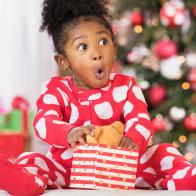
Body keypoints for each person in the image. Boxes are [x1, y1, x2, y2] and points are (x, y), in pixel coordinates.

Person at [0, 0, 196, 195]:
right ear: (64, 60)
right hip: (69, 169)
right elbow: (43, 122)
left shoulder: (126, 86)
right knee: (35, 160)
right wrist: (69, 132)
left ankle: (187, 177)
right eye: (83, 47)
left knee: (163, 153)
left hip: (124, 169)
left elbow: (140, 119)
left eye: (103, 42)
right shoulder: (56, 88)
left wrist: (133, 138)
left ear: (115, 48)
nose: (96, 54)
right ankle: (23, 180)